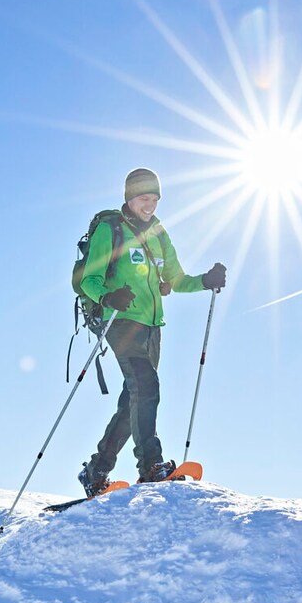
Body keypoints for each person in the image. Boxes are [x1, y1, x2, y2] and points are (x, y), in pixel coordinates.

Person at [77, 167, 226, 497]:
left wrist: (205, 281)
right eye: (144, 198)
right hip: (120, 320)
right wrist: (107, 296)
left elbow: (176, 279)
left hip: (152, 326)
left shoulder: (158, 233)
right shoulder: (111, 228)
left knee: (134, 399)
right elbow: (90, 279)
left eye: (155, 199)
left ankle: (96, 471)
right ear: (129, 198)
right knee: (146, 384)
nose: (150, 205)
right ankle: (151, 467)